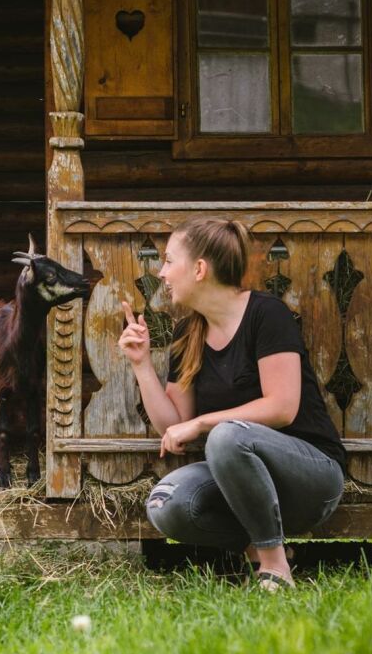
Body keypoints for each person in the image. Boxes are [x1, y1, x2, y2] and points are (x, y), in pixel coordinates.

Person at [118, 218, 346, 591]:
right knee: (166, 504)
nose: (161, 273)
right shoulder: (188, 332)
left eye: (169, 261)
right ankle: (262, 543)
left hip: (311, 477)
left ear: (200, 269)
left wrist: (204, 424)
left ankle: (274, 569)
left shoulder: (266, 314)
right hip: (242, 488)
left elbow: (282, 406)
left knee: (224, 437)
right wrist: (141, 365)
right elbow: (173, 426)